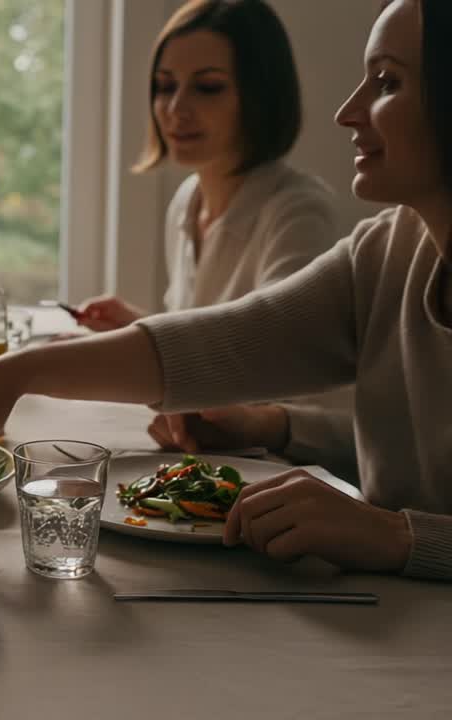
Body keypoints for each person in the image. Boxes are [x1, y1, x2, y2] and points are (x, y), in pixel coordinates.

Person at [0, 0, 452, 578]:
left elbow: (304, 418)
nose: (347, 111)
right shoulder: (388, 249)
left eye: (387, 82)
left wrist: (401, 536)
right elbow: (223, 342)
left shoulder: (306, 212)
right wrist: (16, 371)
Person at [73, 0, 353, 473]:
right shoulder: (187, 200)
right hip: (206, 462)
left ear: (260, 95)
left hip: (285, 475)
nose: (176, 108)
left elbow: (283, 371)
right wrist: (141, 327)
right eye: (164, 87)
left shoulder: (297, 210)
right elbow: (215, 335)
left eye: (207, 88)